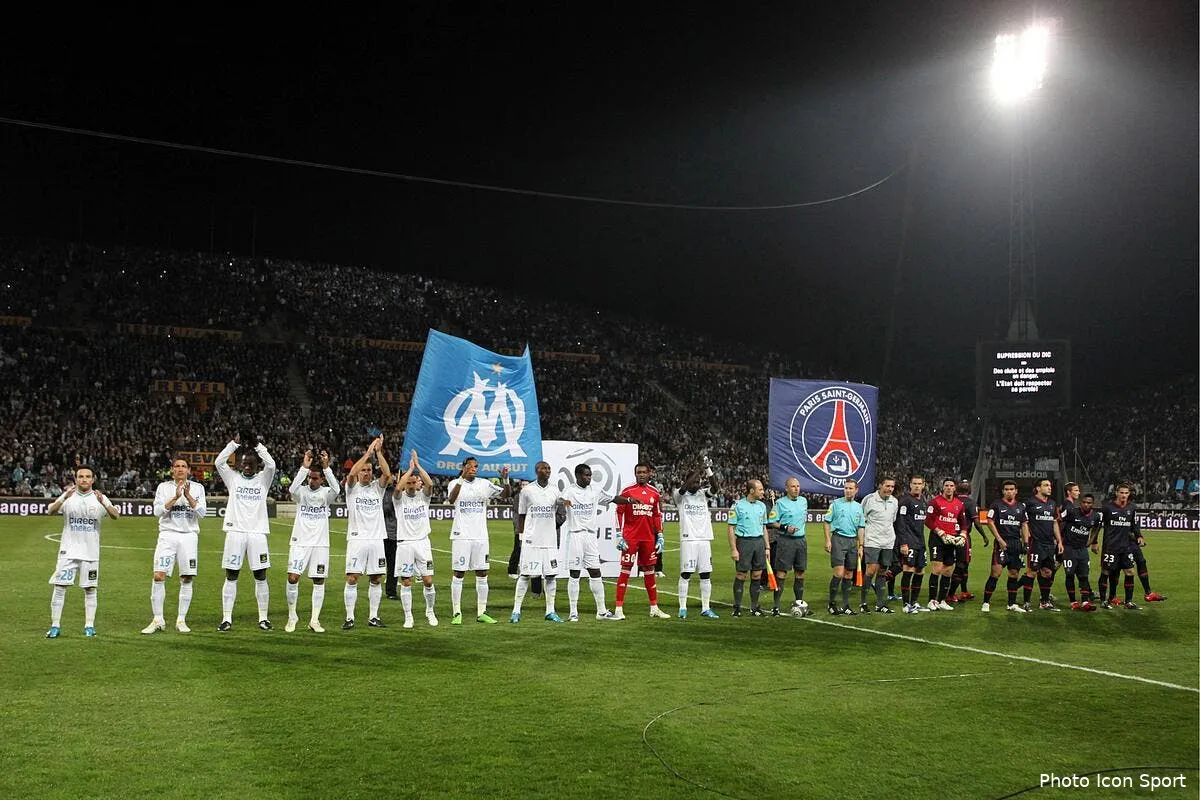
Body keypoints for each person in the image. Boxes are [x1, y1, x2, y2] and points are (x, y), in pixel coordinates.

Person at [45, 466, 120, 638]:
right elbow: (50, 511)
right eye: (80, 476)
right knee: (60, 587)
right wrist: (64, 496)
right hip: (68, 551)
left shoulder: (99, 497)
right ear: (76, 479)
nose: (84, 479)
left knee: (90, 589)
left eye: (87, 477)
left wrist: (104, 503)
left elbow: (116, 515)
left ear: (93, 479)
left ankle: (89, 626)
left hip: (90, 552)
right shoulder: (69, 497)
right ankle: (55, 625)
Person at [214, 432, 277, 631]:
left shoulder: (263, 480)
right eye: (244, 463)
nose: (248, 466)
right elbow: (219, 462)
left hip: (257, 534)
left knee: (260, 575)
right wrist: (234, 443)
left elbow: (272, 465)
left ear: (257, 466)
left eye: (251, 464)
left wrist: (258, 445)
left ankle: (263, 618)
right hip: (235, 533)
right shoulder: (232, 479)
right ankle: (226, 619)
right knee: (231, 575)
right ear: (240, 465)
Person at [142, 457, 207, 634]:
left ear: (188, 471)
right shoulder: (163, 488)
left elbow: (202, 513)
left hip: (189, 537)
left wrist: (187, 496)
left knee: (186, 577)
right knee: (158, 576)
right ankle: (157, 620)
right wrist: (175, 497)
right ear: (172, 470)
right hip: (167, 536)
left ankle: (181, 620)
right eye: (177, 466)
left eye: (183, 466)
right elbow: (157, 512)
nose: (180, 469)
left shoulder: (198, 488)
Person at [446, 457, 510, 625]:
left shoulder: (484, 484)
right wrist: (462, 477)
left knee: (482, 573)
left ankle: (482, 612)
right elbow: (452, 499)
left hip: (481, 536)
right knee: (459, 573)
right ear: (463, 467)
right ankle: (456, 612)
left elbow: (505, 495)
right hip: (461, 535)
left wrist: (505, 479)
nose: (474, 468)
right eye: (470, 466)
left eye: (476, 466)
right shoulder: (454, 483)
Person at [284, 449, 339, 633]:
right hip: (300, 542)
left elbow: (337, 489)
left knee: (318, 581)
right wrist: (304, 467)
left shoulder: (326, 493)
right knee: (293, 578)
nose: (312, 481)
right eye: (310, 478)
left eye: (315, 478)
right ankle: (292, 616)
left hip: (320, 544)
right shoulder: (301, 492)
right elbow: (291, 489)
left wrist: (326, 467)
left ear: (321, 479)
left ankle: (314, 620)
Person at [342, 436, 393, 629]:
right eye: (364, 470)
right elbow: (351, 473)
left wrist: (378, 453)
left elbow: (387, 475)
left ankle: (373, 616)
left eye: (369, 470)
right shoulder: (352, 488)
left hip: (376, 539)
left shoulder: (376, 489)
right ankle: (349, 617)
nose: (366, 473)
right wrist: (368, 453)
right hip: (357, 539)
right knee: (353, 577)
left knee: (376, 578)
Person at [562, 463, 623, 621]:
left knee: (595, 571)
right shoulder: (569, 491)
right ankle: (573, 612)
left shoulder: (595, 490)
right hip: (575, 535)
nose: (589, 478)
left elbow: (613, 498)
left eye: (590, 475)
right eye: (586, 475)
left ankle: (601, 612)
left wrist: (629, 500)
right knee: (574, 573)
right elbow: (560, 503)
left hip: (590, 537)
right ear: (577, 475)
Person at [613, 463, 670, 620]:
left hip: (648, 538)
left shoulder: (654, 493)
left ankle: (654, 608)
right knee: (625, 570)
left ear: (649, 473)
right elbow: (618, 512)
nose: (641, 475)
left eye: (644, 472)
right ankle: (618, 609)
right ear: (635, 474)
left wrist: (660, 535)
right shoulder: (627, 491)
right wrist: (619, 535)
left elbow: (657, 515)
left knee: (650, 570)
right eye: (639, 472)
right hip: (631, 538)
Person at [511, 461, 564, 623]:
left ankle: (550, 611)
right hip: (531, 540)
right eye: (544, 468)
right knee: (525, 574)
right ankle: (516, 611)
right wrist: (521, 537)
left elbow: (560, 511)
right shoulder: (527, 491)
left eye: (549, 468)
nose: (547, 470)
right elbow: (521, 515)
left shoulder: (555, 490)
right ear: (536, 471)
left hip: (549, 540)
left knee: (550, 576)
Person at [393, 450, 438, 628]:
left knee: (428, 580)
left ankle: (430, 611)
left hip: (422, 543)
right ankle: (408, 616)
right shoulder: (399, 499)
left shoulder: (423, 498)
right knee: (406, 581)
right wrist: (409, 471)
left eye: (413, 483)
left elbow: (430, 484)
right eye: (408, 483)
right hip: (405, 543)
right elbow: (397, 488)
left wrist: (418, 466)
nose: (411, 485)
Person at [673, 466, 720, 619]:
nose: (697, 484)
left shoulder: (703, 495)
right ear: (687, 481)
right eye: (694, 482)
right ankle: (682, 608)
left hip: (704, 538)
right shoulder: (679, 495)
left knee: (705, 574)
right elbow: (685, 486)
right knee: (686, 574)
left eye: (699, 482)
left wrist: (708, 469)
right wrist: (698, 470)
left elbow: (715, 487)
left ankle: (705, 608)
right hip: (689, 539)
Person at [981, 480, 1031, 613]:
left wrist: (1026, 543)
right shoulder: (996, 505)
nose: (1009, 491)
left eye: (1012, 489)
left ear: (1016, 491)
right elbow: (990, 521)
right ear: (1003, 491)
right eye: (1006, 489)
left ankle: (1012, 604)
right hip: (1002, 543)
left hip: (1016, 543)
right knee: (996, 573)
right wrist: (999, 539)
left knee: (1014, 574)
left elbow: (1024, 525)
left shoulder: (1021, 507)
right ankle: (986, 602)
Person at [1090, 483, 1141, 610]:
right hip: (1110, 547)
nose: (1124, 495)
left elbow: (1134, 525)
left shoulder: (1132, 508)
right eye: (1122, 493)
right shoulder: (1107, 508)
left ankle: (1128, 601)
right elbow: (1097, 525)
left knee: (1130, 572)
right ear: (1117, 493)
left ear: (1129, 494)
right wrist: (1094, 542)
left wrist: (1139, 536)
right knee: (1106, 572)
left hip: (1126, 547)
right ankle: (1103, 600)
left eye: (1126, 493)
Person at [727, 479, 772, 616]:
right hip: (744, 542)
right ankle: (737, 607)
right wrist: (734, 549)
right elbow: (731, 528)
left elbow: (764, 527)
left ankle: (754, 607)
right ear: (752, 491)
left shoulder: (762, 506)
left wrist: (767, 547)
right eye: (760, 489)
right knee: (741, 574)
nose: (763, 492)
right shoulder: (737, 506)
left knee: (757, 574)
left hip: (758, 542)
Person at [768, 477, 810, 617]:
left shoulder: (804, 501)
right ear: (786, 488)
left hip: (801, 541)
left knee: (800, 572)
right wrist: (786, 527)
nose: (796, 488)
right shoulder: (780, 503)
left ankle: (799, 603)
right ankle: (776, 606)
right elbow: (771, 521)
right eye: (793, 486)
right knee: (782, 573)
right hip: (786, 541)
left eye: (798, 486)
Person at [823, 479, 865, 615]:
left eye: (850, 488)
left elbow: (861, 527)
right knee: (839, 573)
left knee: (848, 574)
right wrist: (828, 540)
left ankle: (846, 605)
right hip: (838, 539)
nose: (847, 490)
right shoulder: (835, 504)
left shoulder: (859, 507)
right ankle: (832, 603)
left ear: (856, 490)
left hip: (853, 541)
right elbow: (826, 522)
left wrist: (861, 545)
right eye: (846, 488)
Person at [1023, 478, 1064, 611]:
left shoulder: (1052, 503)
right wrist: (1025, 537)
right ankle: (1026, 602)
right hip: (1036, 542)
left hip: (1049, 544)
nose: (1049, 488)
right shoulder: (1030, 503)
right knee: (1032, 572)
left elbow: (1054, 523)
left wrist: (1059, 541)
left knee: (1047, 572)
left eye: (1050, 485)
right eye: (1046, 485)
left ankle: (1044, 602)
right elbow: (1023, 521)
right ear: (1038, 488)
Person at [924, 478, 966, 611]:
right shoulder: (935, 502)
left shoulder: (959, 504)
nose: (949, 488)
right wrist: (940, 532)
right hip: (937, 539)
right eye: (946, 485)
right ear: (943, 488)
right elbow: (928, 521)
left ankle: (942, 600)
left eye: (951, 486)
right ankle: (932, 600)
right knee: (936, 569)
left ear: (955, 488)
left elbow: (963, 522)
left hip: (951, 540)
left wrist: (963, 535)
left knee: (948, 571)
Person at [859, 477, 898, 613]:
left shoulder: (894, 501)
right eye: (887, 486)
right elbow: (861, 520)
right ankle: (863, 603)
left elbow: (892, 520)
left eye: (892, 487)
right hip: (872, 540)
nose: (890, 489)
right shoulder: (869, 499)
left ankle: (880, 604)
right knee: (870, 570)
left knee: (883, 571)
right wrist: (861, 542)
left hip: (888, 542)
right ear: (880, 486)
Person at [948, 480, 989, 602]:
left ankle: (964, 591)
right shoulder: (970, 503)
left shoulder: (951, 500)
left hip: (948, 535)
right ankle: (950, 594)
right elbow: (976, 522)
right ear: (969, 490)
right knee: (962, 565)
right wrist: (984, 535)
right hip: (963, 537)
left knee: (954, 565)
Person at [894, 476, 929, 614]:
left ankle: (914, 602)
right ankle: (906, 604)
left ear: (923, 485)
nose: (917, 486)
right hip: (909, 541)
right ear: (910, 485)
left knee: (920, 571)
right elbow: (900, 523)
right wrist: (903, 543)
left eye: (919, 484)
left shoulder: (923, 501)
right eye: (914, 483)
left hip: (920, 542)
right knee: (908, 570)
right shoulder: (905, 501)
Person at [1059, 491, 1098, 611]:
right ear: (1080, 503)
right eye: (1084, 502)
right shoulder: (1072, 512)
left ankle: (1085, 601)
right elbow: (1059, 521)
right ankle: (1073, 602)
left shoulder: (1095, 516)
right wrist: (1059, 540)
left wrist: (1091, 541)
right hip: (1069, 548)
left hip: (1082, 550)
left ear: (1092, 504)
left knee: (1084, 576)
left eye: (1089, 503)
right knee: (1070, 574)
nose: (1086, 505)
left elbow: (1096, 528)